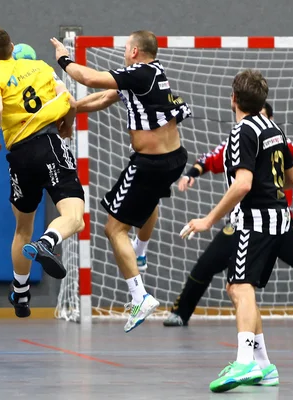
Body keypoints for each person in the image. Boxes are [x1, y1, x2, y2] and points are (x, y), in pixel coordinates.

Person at [165, 102, 293, 329]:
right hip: (244, 222)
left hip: (279, 222)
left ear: (271, 120)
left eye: (262, 116)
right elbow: (209, 159)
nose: (256, 121)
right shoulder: (241, 140)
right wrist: (192, 173)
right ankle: (180, 312)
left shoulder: (280, 142)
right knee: (206, 265)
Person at [52, 30, 192, 332]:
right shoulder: (153, 74)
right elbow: (104, 97)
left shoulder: (139, 72)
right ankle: (140, 254)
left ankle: (139, 296)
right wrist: (72, 107)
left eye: (126, 48)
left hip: (150, 164)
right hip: (173, 158)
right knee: (148, 201)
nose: (123, 52)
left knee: (113, 228)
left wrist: (63, 58)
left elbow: (87, 78)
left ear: (135, 52)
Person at [180, 69, 293, 392]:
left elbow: (243, 184)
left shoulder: (242, 132)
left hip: (254, 220)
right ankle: (264, 366)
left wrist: (208, 219)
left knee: (240, 287)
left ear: (233, 98)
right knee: (238, 289)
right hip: (280, 220)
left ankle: (245, 362)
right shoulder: (274, 128)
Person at [0, 27, 85, 318]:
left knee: (22, 228)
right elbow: (70, 102)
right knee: (74, 217)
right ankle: (47, 243)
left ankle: (21, 293)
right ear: (12, 46)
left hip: (19, 156)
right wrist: (68, 125)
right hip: (49, 144)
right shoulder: (41, 67)